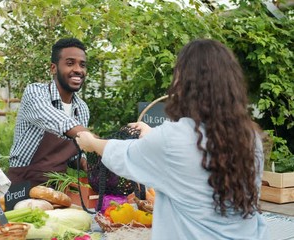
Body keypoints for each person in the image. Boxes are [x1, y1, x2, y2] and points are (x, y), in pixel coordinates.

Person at [76, 39, 268, 239]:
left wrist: (91, 142)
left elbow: (124, 154)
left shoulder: (172, 139)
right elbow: (195, 157)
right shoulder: (250, 137)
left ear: (184, 83)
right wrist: (151, 135)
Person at [8, 37, 90, 187]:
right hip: (23, 184)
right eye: (70, 63)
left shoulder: (82, 109)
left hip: (58, 187)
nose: (78, 70)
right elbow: (57, 121)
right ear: (53, 68)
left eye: (82, 65)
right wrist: (96, 141)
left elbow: (73, 153)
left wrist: (86, 162)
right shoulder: (35, 93)